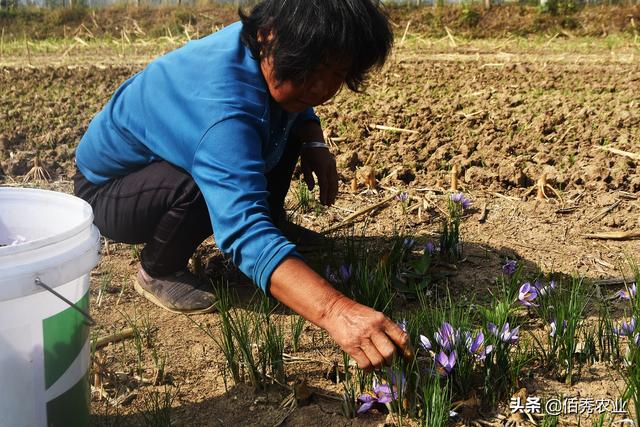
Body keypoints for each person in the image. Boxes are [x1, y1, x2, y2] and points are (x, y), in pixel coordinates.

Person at [74, 0, 411, 371]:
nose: (319, 88)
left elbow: (298, 101)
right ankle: (158, 270)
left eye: (337, 72)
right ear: (267, 35)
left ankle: (276, 229)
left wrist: (313, 138)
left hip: (173, 157)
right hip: (108, 191)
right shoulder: (222, 112)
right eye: (310, 69)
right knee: (202, 183)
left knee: (281, 121)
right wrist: (335, 311)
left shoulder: (270, 52)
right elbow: (242, 228)